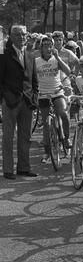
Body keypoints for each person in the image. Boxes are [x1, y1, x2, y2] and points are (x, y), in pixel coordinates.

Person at [0, 24, 39, 179]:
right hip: (10, 101)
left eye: (23, 34)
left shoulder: (30, 55)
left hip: (27, 101)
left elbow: (34, 79)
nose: (21, 37)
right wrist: (4, 97)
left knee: (25, 137)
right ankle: (8, 170)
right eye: (17, 34)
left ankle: (23, 168)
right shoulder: (3, 55)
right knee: (8, 137)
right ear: (10, 36)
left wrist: (34, 96)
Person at [35, 36, 72, 163]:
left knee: (63, 114)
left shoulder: (56, 60)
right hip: (43, 94)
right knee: (46, 123)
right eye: (45, 45)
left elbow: (68, 71)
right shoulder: (37, 61)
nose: (48, 48)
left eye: (50, 45)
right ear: (41, 48)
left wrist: (58, 58)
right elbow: (32, 77)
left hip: (57, 91)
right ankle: (46, 151)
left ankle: (66, 138)